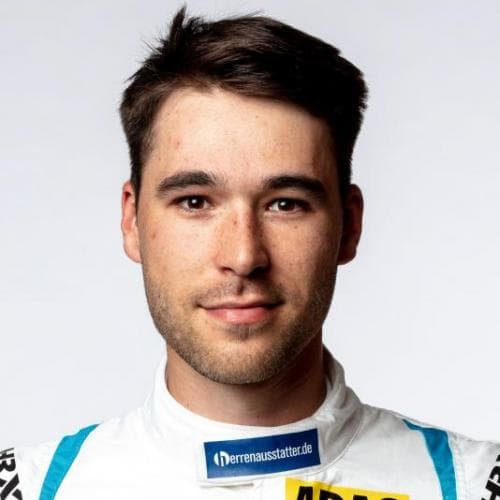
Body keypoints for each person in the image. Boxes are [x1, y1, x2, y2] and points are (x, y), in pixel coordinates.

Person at [1, 7, 498, 500]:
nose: (243, 256)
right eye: (195, 202)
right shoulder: (27, 488)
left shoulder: (476, 486)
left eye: (286, 204)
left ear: (349, 226)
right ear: (132, 220)